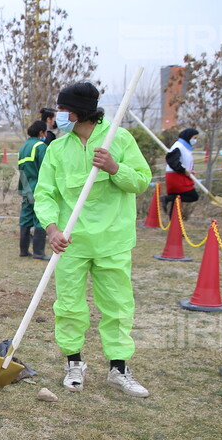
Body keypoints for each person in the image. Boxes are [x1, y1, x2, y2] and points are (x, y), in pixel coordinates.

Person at [34, 82, 152, 398]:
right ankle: (74, 364)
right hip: (71, 243)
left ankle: (119, 369)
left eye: (61, 109)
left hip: (113, 241)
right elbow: (44, 194)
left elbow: (141, 181)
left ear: (77, 111)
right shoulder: (57, 149)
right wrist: (52, 230)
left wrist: (115, 168)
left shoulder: (120, 139)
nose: (57, 115)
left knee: (117, 305)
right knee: (69, 305)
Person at [18, 120, 50, 260]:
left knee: (25, 219)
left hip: (25, 187)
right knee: (40, 218)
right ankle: (38, 252)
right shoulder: (40, 146)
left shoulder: (23, 147)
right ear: (41, 132)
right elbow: (46, 168)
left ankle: (23, 251)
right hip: (37, 187)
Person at [162, 127, 200, 217]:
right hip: (176, 177)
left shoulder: (185, 147)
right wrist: (183, 170)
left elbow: (184, 161)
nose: (195, 140)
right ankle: (167, 198)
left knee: (177, 200)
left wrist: (190, 170)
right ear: (189, 136)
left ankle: (174, 223)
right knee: (193, 196)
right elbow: (172, 161)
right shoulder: (178, 146)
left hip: (181, 175)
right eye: (194, 138)